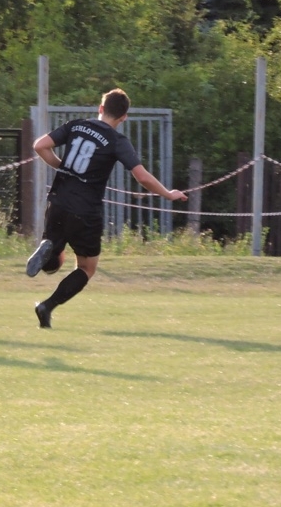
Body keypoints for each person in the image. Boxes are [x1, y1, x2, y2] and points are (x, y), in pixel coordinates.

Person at [27, 88, 188, 328]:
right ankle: (46, 306)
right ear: (123, 118)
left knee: (53, 256)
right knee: (86, 268)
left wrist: (63, 167)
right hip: (85, 211)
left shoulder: (76, 125)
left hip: (58, 201)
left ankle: (47, 246)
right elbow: (142, 177)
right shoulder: (117, 141)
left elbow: (40, 146)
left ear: (100, 108)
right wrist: (167, 193)